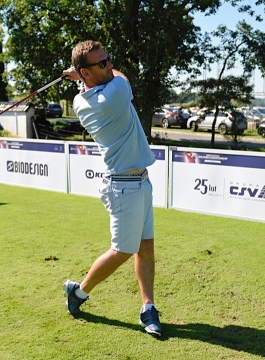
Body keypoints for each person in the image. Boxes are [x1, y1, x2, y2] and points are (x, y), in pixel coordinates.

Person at [61, 40, 162, 336]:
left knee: (146, 247)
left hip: (139, 182)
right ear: (87, 72)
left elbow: (95, 82)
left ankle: (148, 307)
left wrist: (81, 75)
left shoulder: (83, 98)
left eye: (108, 60)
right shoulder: (113, 95)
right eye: (101, 63)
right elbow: (121, 78)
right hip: (123, 188)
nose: (108, 65)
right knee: (123, 251)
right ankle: (78, 293)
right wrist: (82, 74)